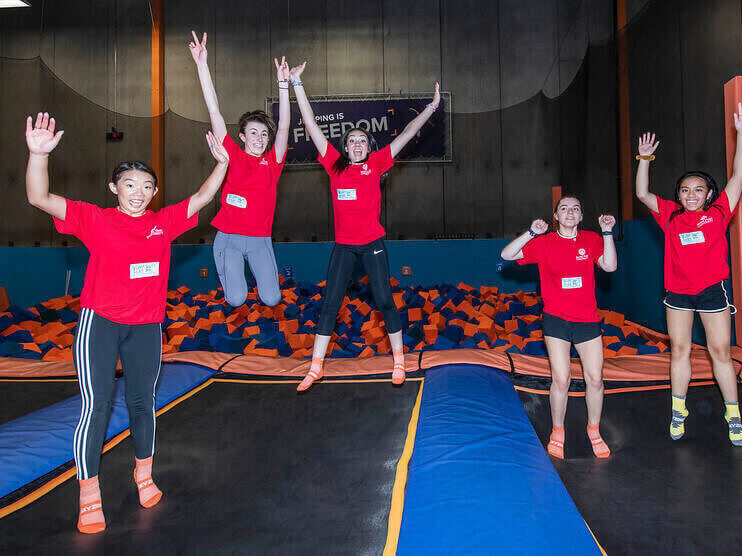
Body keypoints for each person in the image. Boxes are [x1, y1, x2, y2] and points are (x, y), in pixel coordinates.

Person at [25, 111, 229, 533]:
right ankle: (89, 492)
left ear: (155, 192)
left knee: (141, 404)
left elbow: (202, 198)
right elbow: (39, 198)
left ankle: (143, 473)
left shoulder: (162, 223)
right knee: (96, 407)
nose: (139, 193)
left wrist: (223, 164)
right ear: (114, 188)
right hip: (99, 324)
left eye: (147, 186)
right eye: (130, 185)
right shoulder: (95, 219)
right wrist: (37, 155)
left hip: (146, 328)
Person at [287, 61, 440, 391]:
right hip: (343, 245)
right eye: (352, 140)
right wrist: (297, 84)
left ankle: (399, 360)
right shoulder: (334, 166)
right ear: (345, 147)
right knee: (330, 303)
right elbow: (311, 125)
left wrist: (430, 107)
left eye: (363, 141)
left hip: (372, 243)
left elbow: (410, 132)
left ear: (369, 147)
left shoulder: (378, 162)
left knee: (385, 300)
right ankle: (316, 366)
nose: (357, 145)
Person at [634, 100, 742, 447]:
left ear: (708, 195)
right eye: (685, 190)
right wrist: (644, 159)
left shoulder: (719, 212)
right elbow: (642, 193)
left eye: (698, 190)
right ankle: (679, 410)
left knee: (720, 352)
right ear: (679, 195)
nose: (691, 195)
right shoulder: (670, 215)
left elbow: (738, 175)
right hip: (677, 294)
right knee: (680, 350)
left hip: (711, 292)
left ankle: (733, 414)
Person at [501, 198, 618, 459]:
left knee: (595, 379)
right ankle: (558, 430)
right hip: (556, 319)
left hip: (587, 319)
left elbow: (610, 266)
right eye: (564, 208)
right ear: (555, 215)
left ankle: (594, 429)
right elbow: (507, 255)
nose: (570, 212)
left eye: (576, 208)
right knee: (561, 379)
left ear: (581, 216)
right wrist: (532, 232)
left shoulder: (591, 239)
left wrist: (607, 233)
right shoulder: (544, 243)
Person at [189, 30, 290, 307]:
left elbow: (283, 126)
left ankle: (264, 288)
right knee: (235, 299)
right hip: (229, 238)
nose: (260, 138)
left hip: (260, 240)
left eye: (263, 135)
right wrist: (201, 64)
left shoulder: (274, 162)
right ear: (242, 136)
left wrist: (283, 86)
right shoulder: (231, 154)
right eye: (253, 133)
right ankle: (231, 280)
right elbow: (214, 111)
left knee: (271, 299)